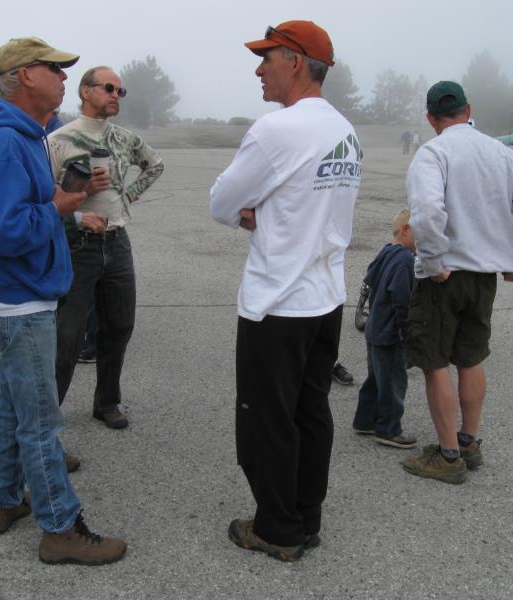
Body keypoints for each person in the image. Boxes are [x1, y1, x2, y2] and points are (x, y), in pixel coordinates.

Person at [0, 36, 125, 565]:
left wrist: (66, 211)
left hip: (8, 295)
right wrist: (57, 206)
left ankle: (4, 500)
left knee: (13, 405)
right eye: (55, 69)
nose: (63, 78)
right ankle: (60, 526)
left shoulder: (20, 134)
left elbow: (16, 213)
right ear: (25, 76)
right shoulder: (8, 141)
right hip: (18, 299)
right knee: (40, 421)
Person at [210, 20, 362, 561]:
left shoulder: (279, 130)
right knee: (309, 411)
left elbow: (222, 202)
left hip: (277, 301)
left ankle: (277, 529)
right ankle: (305, 515)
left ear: (296, 61)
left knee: (266, 419)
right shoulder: (345, 130)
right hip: (324, 296)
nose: (258, 68)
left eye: (266, 56)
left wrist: (254, 211)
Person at [401, 81, 513, 484]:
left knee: (435, 364)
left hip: (445, 276)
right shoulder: (503, 154)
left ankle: (448, 457)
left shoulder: (432, 153)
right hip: (485, 278)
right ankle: (468, 440)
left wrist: (433, 262)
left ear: (431, 118)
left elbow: (429, 213)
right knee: (471, 358)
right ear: (468, 109)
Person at [48, 65, 164, 429]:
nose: (116, 95)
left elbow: (155, 165)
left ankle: (107, 401)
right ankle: (48, 420)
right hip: (77, 247)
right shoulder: (58, 141)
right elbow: (45, 195)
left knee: (119, 326)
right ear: (85, 92)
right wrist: (82, 197)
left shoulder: (124, 139)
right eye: (108, 88)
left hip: (116, 244)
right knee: (66, 339)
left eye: (120, 91)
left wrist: (126, 196)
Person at [352, 208, 416, 449]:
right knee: (393, 381)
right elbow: (402, 298)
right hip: (390, 334)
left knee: (376, 377)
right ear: (406, 230)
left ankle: (365, 419)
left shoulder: (386, 252)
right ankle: (389, 428)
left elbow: (369, 279)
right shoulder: (405, 260)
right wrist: (406, 330)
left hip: (374, 327)